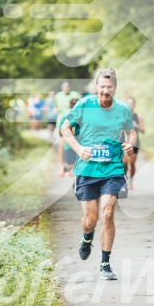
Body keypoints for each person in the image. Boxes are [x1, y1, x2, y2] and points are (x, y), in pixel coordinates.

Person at [60, 68, 136, 281]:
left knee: (108, 212)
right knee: (90, 220)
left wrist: (130, 144)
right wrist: (77, 148)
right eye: (102, 86)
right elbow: (65, 128)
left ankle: (105, 264)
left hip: (112, 168)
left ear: (114, 88)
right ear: (96, 87)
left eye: (109, 87)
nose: (105, 90)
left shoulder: (122, 109)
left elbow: (131, 131)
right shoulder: (85, 105)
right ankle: (86, 237)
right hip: (86, 170)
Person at [55, 81, 83, 176]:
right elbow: (56, 108)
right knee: (62, 144)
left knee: (74, 143)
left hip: (75, 122)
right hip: (62, 122)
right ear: (62, 87)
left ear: (70, 87)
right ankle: (63, 166)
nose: (66, 88)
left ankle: (72, 166)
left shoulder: (75, 94)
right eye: (64, 86)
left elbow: (80, 105)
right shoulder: (58, 96)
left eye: (68, 86)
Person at [121, 97, 145, 190]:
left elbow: (143, 130)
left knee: (132, 163)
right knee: (125, 163)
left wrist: (136, 125)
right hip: (123, 141)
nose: (130, 105)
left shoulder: (138, 117)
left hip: (135, 142)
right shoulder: (121, 116)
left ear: (134, 105)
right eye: (128, 103)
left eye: (131, 103)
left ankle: (131, 182)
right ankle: (125, 180)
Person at [58, 98, 79, 177]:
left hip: (79, 144)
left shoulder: (84, 117)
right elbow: (62, 131)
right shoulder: (66, 116)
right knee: (62, 144)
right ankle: (64, 167)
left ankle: (66, 168)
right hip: (70, 143)